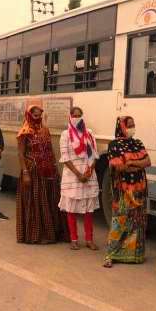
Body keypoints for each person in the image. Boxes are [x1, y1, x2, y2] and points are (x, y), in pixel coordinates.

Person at [16, 105, 69, 244]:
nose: (38, 117)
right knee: (35, 202)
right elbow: (21, 154)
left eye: (40, 115)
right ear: (29, 115)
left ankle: (51, 233)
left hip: (48, 171)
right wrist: (25, 172)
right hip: (32, 172)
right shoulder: (24, 132)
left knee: (50, 201)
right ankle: (36, 235)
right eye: (35, 115)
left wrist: (55, 168)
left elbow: (50, 149)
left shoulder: (45, 129)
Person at [103, 116, 151, 268]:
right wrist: (137, 165)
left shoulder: (138, 143)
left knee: (137, 222)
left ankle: (134, 256)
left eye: (133, 125)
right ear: (121, 127)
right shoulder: (114, 145)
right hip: (123, 190)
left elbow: (148, 162)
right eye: (129, 125)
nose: (132, 127)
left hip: (139, 189)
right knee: (120, 221)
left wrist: (131, 162)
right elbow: (119, 167)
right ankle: (111, 254)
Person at [58, 107, 100, 250]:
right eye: (74, 115)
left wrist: (89, 171)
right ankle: (74, 239)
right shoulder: (65, 135)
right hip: (72, 176)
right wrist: (78, 174)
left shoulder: (89, 133)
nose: (77, 117)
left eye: (79, 115)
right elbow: (65, 158)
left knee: (89, 210)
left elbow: (94, 155)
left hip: (88, 175)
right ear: (70, 117)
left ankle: (89, 239)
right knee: (71, 209)